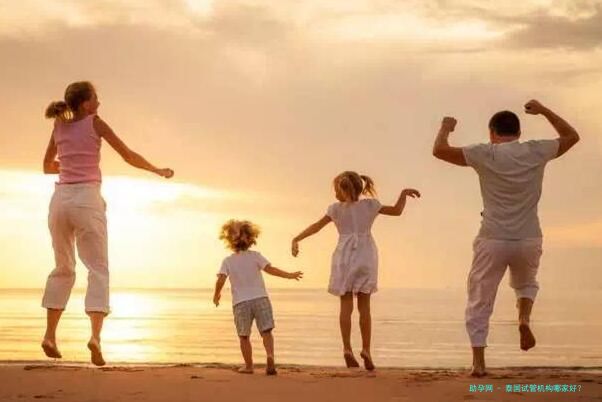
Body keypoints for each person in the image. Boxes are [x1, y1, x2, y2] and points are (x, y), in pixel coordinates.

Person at [432, 100, 580, 376]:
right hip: (528, 237)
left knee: (480, 298)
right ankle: (523, 320)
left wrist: (446, 128)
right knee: (526, 283)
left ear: (492, 133)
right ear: (519, 133)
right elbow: (571, 136)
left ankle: (479, 363)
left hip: (493, 238)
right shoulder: (535, 150)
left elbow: (439, 150)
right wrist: (544, 111)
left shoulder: (485, 153)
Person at [42, 81, 174, 366]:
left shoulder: (58, 126)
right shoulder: (95, 123)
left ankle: (50, 336)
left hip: (59, 202)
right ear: (86, 104)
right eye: (96, 98)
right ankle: (95, 338)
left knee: (63, 267)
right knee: (98, 269)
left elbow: (46, 166)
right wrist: (157, 170)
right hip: (87, 200)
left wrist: (70, 165)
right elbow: (128, 155)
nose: (99, 103)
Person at [291, 171, 420, 370]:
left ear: (342, 189)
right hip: (365, 255)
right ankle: (366, 349)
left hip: (344, 257)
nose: (334, 193)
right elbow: (397, 211)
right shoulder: (370, 205)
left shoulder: (335, 209)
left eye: (335, 189)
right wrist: (403, 194)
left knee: (345, 306)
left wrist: (297, 238)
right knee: (364, 307)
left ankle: (347, 349)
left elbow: (316, 227)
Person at [213, 219, 303, 375]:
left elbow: (221, 279)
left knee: (244, 336)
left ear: (229, 241)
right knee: (266, 331)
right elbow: (271, 269)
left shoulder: (228, 261)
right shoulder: (255, 256)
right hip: (261, 298)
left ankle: (249, 366)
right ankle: (270, 356)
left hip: (241, 303)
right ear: (251, 238)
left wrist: (217, 295)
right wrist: (289, 275)